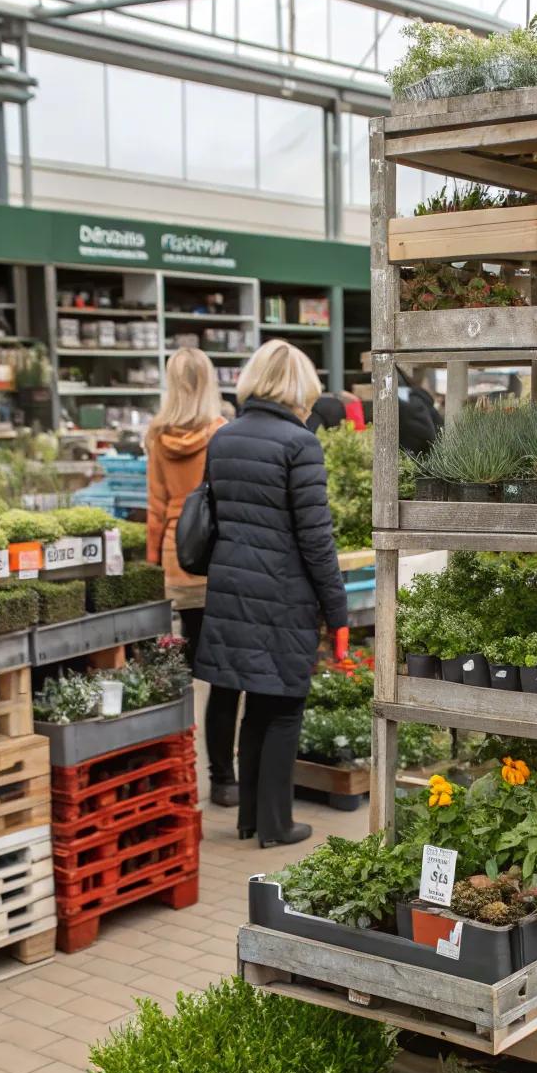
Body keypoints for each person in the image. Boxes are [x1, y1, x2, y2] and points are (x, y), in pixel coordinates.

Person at [194, 339, 349, 848]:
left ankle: (250, 820)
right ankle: (276, 825)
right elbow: (315, 537)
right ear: (300, 386)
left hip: (231, 586)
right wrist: (337, 608)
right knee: (282, 705)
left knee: (255, 703)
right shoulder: (299, 443)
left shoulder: (224, 436)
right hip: (282, 594)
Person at [145, 348, 240, 807]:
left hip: (175, 561)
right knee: (222, 675)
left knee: (180, 671)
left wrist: (152, 569)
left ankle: (177, 776)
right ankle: (223, 779)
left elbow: (157, 508)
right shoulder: (223, 433)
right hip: (216, 560)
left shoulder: (157, 435)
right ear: (209, 382)